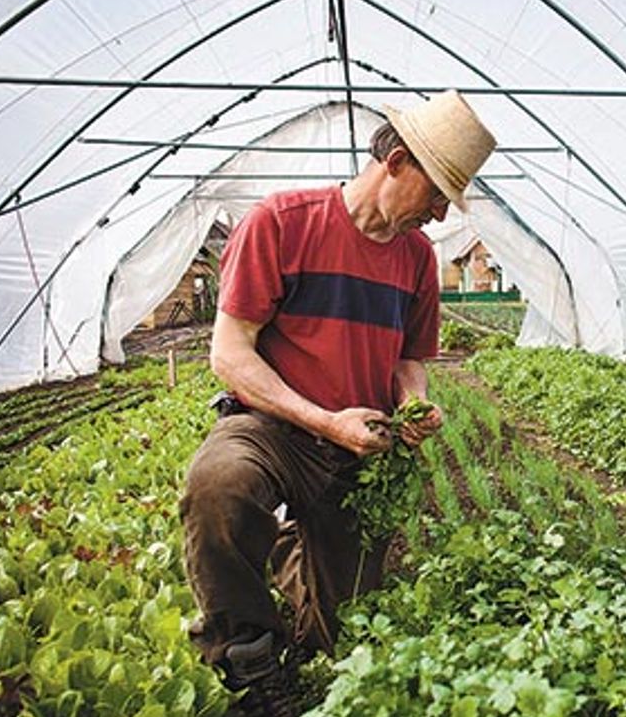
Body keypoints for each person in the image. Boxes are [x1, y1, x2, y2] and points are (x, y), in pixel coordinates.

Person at [179, 90, 496, 715]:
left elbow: (410, 360)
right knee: (219, 485)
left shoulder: (417, 262)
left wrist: (413, 403)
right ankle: (247, 653)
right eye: (437, 196)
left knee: (339, 633)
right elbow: (231, 355)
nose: (437, 217)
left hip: (359, 446)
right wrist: (324, 420)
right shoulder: (280, 224)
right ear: (398, 160)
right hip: (270, 426)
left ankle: (295, 560)